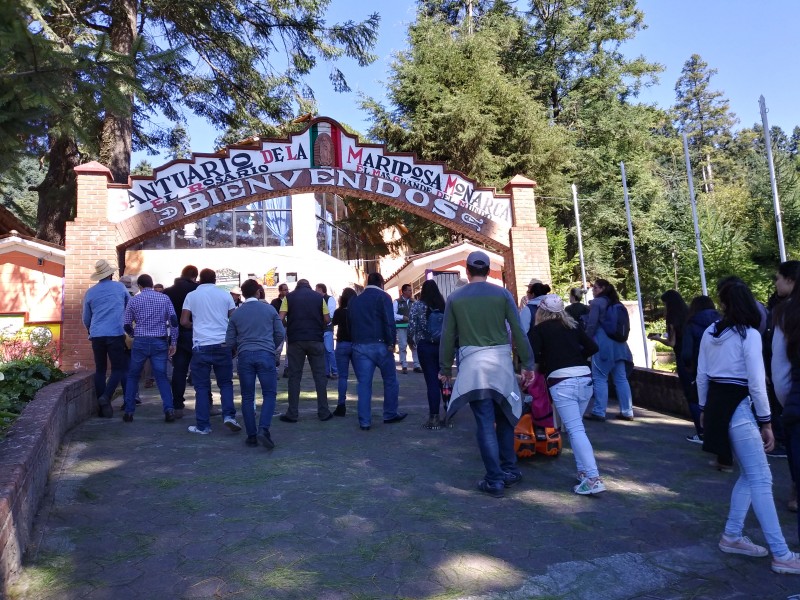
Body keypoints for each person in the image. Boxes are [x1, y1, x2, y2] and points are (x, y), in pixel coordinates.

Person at [697, 279, 800, 574]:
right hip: (739, 406)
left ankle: (732, 535)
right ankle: (781, 553)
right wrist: (767, 420)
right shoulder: (749, 335)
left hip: (717, 404)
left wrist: (704, 408)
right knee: (762, 478)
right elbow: (756, 381)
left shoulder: (710, 331)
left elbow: (702, 374)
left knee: (750, 475)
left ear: (725, 303)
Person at [439, 251, 534, 498]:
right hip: (501, 364)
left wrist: (445, 368)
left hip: (473, 368)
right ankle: (510, 470)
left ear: (467, 270)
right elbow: (518, 331)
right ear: (488, 269)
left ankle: (494, 479)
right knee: (505, 418)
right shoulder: (502, 294)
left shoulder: (455, 298)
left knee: (484, 423)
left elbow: (448, 336)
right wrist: (527, 364)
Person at [529, 294, 603, 494]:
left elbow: (532, 357)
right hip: (584, 376)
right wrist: (575, 357)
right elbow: (593, 347)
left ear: (541, 311)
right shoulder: (573, 327)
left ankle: (593, 477)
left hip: (561, 381)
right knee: (575, 429)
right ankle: (583, 473)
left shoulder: (538, 330)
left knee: (576, 430)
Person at [226, 279, 285, 449]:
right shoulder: (269, 309)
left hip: (244, 355)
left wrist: (239, 348)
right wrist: (270, 347)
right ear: (258, 292)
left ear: (242, 294)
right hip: (265, 354)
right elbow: (280, 333)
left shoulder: (237, 313)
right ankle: (263, 429)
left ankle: (251, 435)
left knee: (247, 396)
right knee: (269, 394)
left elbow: (229, 340)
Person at [181, 268, 241, 435]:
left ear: (199, 279)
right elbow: (234, 319)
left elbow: (184, 321)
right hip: (222, 344)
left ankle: (203, 426)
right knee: (226, 384)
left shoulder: (191, 295)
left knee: (201, 387)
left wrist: (198, 325)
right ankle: (229, 416)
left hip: (201, 345)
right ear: (215, 280)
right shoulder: (225, 295)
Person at [349, 272, 407, 430]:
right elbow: (389, 321)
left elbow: (350, 323)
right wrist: (391, 342)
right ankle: (389, 413)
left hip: (360, 345)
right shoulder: (384, 297)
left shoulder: (355, 300)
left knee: (364, 384)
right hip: (381, 344)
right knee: (390, 380)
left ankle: (365, 421)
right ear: (381, 282)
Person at [122, 274, 178, 422]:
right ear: (152, 284)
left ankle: (128, 411)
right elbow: (173, 321)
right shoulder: (164, 298)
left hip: (140, 341)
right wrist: (173, 342)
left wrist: (135, 334)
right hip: (159, 341)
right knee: (161, 377)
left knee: (133, 376)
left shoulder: (134, 300)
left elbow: (126, 324)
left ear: (140, 286)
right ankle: (169, 409)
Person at [278, 279, 334, 422]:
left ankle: (292, 413)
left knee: (294, 377)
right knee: (320, 376)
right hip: (315, 339)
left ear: (297, 287)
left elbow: (281, 318)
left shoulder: (288, 298)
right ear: (309, 287)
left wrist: (288, 323)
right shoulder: (319, 298)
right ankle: (323, 411)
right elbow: (327, 319)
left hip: (296, 340)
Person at [82, 259, 129, 418]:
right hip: (115, 332)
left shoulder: (90, 292)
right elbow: (129, 308)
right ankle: (105, 397)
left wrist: (91, 329)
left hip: (96, 335)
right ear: (111, 274)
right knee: (118, 368)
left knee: (100, 370)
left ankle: (104, 409)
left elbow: (86, 318)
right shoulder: (120, 288)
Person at [771, 261, 800, 513]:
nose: (776, 283)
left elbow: (779, 367)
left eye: (778, 278)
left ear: (791, 280)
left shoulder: (785, 312)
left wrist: (787, 401)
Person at [584, 279, 634, 421]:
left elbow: (591, 325)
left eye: (595, 288)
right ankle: (627, 411)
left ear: (602, 289)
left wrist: (585, 342)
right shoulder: (617, 303)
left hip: (603, 345)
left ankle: (599, 411)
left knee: (599, 378)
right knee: (621, 379)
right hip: (620, 345)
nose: (592, 290)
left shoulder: (597, 303)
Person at [681, 296, 721, 445]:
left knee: (695, 399)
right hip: (720, 366)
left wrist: (688, 366)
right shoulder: (721, 321)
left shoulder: (691, 324)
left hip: (699, 367)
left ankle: (703, 432)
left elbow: (686, 352)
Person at [409, 279, 447, 430]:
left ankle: (434, 417)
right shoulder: (443, 306)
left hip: (425, 346)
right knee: (444, 379)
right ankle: (449, 411)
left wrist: (412, 341)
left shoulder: (417, 305)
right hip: (442, 346)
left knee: (431, 381)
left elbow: (412, 327)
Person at [649, 290, 691, 426]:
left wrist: (658, 339)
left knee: (689, 393)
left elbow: (671, 342)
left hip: (680, 354)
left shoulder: (672, 318)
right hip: (691, 354)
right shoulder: (688, 314)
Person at [163, 265, 200, 419]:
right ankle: (207, 403)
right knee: (200, 370)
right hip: (197, 332)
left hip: (177, 334)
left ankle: (177, 405)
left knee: (179, 371)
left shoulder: (168, 291)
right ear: (194, 277)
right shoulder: (198, 290)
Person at [331, 288, 357, 417]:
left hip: (342, 344)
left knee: (343, 377)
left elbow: (332, 323)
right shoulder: (357, 311)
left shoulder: (339, 312)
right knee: (362, 377)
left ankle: (341, 404)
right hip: (356, 344)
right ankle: (363, 403)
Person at [394, 283, 421, 373]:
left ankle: (416, 365)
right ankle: (404, 365)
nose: (411, 292)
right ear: (404, 291)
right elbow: (393, 314)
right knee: (403, 345)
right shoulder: (397, 302)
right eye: (409, 290)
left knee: (414, 345)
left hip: (413, 327)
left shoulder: (414, 302)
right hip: (401, 327)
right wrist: (402, 317)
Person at [316, 283, 338, 379]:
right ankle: (326, 372)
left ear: (321, 290)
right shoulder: (319, 300)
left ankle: (334, 370)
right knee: (324, 351)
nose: (315, 291)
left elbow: (331, 314)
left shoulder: (329, 299)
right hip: (321, 328)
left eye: (316, 289)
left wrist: (328, 323)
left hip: (327, 328)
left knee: (329, 350)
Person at [271, 283, 290, 377]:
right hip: (280, 327)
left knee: (289, 349)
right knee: (278, 348)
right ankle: (275, 369)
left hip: (290, 327)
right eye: (285, 290)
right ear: (280, 291)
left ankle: (287, 369)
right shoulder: (275, 302)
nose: (287, 291)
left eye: (287, 289)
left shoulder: (291, 300)